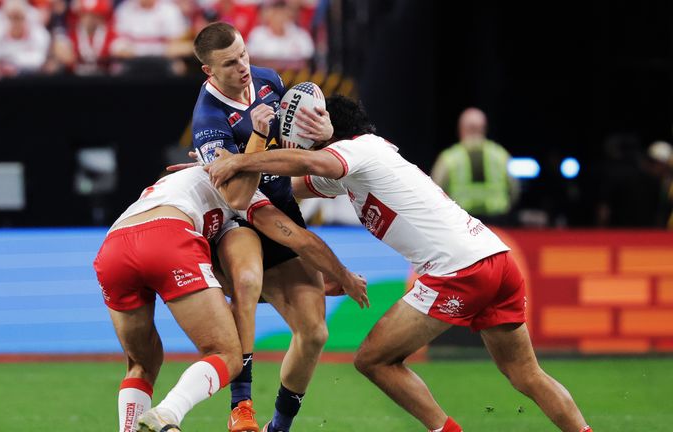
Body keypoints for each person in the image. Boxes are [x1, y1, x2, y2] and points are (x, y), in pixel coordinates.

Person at [205, 95, 594, 432]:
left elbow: (313, 163)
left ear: (330, 130)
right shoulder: (363, 162)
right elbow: (284, 188)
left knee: (374, 360)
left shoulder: (360, 150)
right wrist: (215, 176)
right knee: (526, 374)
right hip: (495, 258)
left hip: (458, 270)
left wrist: (240, 162)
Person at [93, 164, 366, 432]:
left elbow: (220, 283)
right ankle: (167, 413)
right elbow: (297, 238)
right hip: (168, 237)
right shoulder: (240, 189)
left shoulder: (194, 178)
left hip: (114, 246)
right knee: (227, 355)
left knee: (141, 363)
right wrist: (343, 275)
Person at [190, 21, 334, 432]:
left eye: (243, 54)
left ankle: (279, 427)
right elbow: (236, 197)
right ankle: (241, 405)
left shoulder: (269, 79)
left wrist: (324, 133)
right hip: (236, 222)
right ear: (209, 71)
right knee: (248, 281)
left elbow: (296, 146)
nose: (243, 67)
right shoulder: (208, 120)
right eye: (230, 63)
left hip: (281, 208)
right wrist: (256, 136)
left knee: (314, 333)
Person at [430, 107, 519, 226]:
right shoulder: (501, 155)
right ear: (484, 128)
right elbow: (515, 189)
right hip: (498, 222)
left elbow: (434, 191)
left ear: (461, 129)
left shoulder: (449, 157)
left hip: (462, 222)